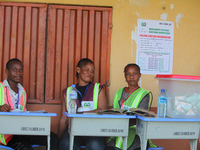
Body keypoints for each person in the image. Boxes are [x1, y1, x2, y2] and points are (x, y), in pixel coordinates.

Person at [0, 58, 60, 150]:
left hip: (22, 130)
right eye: (14, 70)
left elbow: (22, 112)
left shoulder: (22, 91)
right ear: (7, 71)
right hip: (6, 135)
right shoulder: (0, 87)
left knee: (54, 138)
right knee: (25, 148)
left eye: (20, 70)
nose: (18, 73)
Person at [104, 63, 156, 150]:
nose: (131, 76)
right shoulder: (119, 92)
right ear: (125, 76)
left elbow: (141, 117)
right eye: (128, 74)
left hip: (136, 133)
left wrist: (122, 124)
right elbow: (114, 112)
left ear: (140, 75)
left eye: (135, 73)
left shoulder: (144, 94)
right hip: (117, 132)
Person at [59, 58, 107, 150]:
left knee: (95, 145)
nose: (90, 73)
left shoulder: (98, 88)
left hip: (94, 129)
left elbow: (102, 110)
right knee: (66, 143)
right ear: (78, 70)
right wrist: (59, 138)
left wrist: (81, 114)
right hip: (74, 128)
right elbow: (63, 118)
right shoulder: (67, 91)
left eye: (92, 71)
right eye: (87, 69)